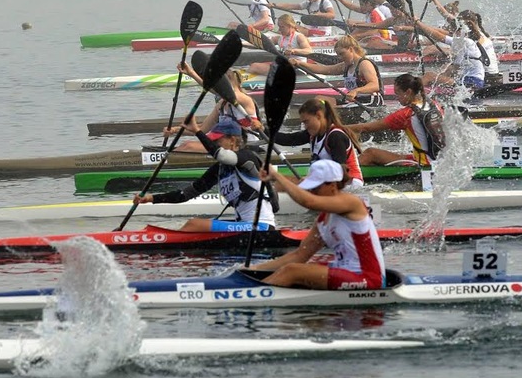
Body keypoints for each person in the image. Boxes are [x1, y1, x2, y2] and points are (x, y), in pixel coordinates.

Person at [250, 159, 385, 290]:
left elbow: (309, 202)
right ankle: (251, 289)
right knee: (295, 267)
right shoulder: (322, 220)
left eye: (315, 187)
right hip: (344, 271)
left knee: (292, 271)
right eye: (310, 187)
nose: (311, 191)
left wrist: (276, 175)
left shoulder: (351, 202)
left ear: (332, 185)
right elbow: (299, 256)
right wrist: (254, 269)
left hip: (367, 278)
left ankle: (251, 297)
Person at [135, 118, 277, 232]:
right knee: (195, 226)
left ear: (232, 140)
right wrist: (151, 198)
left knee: (194, 224)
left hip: (261, 227)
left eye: (217, 140)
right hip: (244, 225)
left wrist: (197, 131)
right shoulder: (219, 169)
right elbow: (185, 194)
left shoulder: (248, 158)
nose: (213, 144)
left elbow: (222, 155)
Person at [347, 73, 444, 167]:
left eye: (398, 94)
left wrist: (337, 126)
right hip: (441, 159)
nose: (397, 98)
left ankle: (345, 175)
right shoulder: (435, 104)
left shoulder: (405, 115)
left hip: (424, 163)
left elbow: (366, 128)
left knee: (370, 153)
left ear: (408, 92)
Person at [166, 63, 263, 152]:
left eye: (218, 84)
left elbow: (221, 92)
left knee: (189, 146)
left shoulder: (244, 99)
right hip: (226, 145)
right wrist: (174, 130)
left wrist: (192, 73)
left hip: (246, 146)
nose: (217, 88)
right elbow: (202, 129)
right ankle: (164, 161)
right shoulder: (221, 105)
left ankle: (164, 162)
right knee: (186, 144)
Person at [274, 98, 364, 188]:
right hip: (330, 184)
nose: (305, 126)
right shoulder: (314, 134)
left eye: (306, 122)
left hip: (350, 186)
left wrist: (311, 181)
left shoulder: (335, 136)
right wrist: (264, 130)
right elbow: (289, 139)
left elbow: (340, 171)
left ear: (318, 115)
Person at [290, 35, 384, 107]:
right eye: (338, 55)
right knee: (319, 100)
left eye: (342, 54)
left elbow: (375, 85)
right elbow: (324, 69)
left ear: (351, 49)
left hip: (370, 101)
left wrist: (356, 91)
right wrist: (299, 63)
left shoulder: (364, 64)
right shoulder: (345, 66)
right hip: (353, 102)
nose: (340, 57)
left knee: (325, 108)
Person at [414, 17, 485, 88]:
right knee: (444, 72)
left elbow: (438, 36)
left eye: (455, 32)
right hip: (472, 81)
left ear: (460, 32)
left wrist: (418, 22)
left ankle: (414, 94)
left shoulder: (466, 41)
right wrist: (440, 76)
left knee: (428, 76)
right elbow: (454, 68)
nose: (453, 34)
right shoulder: (464, 47)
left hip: (472, 82)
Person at [248, 14, 313, 75]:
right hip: (285, 66)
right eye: (279, 26)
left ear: (290, 26)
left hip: (298, 68)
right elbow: (261, 44)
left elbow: (309, 51)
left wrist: (294, 51)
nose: (279, 29)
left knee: (254, 67)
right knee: (252, 66)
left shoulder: (299, 36)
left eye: (282, 27)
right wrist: (243, 44)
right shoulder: (278, 38)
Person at [270, 0, 336, 36]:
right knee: (289, 24)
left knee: (292, 27)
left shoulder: (325, 2)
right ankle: (279, 37)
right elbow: (291, 6)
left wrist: (319, 14)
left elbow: (332, 15)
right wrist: (274, 5)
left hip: (323, 32)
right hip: (310, 30)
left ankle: (281, 38)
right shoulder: (308, 3)